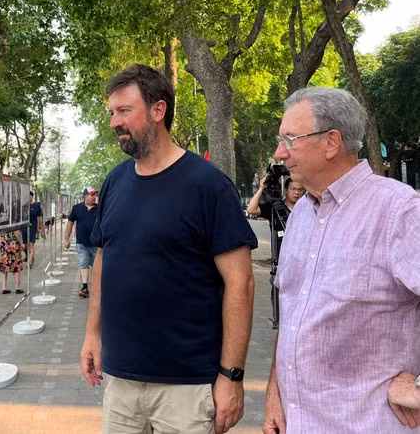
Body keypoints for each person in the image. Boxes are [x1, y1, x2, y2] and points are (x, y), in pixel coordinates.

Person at [81, 64, 257, 434]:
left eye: (124, 111)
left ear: (158, 110)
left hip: (187, 387)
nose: (114, 122)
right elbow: (103, 259)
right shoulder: (114, 182)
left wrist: (231, 376)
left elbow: (240, 283)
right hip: (121, 380)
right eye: (112, 112)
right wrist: (92, 334)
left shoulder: (209, 186)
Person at [263, 87, 420, 434]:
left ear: (331, 142)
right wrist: (275, 391)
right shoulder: (301, 214)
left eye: (289, 140)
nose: (279, 153)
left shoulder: (399, 211)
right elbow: (292, 315)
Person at [246, 176, 305, 329]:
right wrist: (261, 188)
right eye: (293, 189)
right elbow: (251, 209)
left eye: (300, 190)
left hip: (303, 264)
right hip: (281, 264)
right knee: (280, 307)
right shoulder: (276, 209)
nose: (297, 193)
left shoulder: (308, 209)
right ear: (286, 190)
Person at [64, 187, 98, 298]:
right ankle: (85, 287)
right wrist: (66, 239)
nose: (94, 197)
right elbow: (70, 224)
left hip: (96, 244)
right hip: (81, 243)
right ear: (85, 196)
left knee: (96, 266)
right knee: (84, 263)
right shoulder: (76, 208)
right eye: (92, 195)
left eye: (95, 195)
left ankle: (96, 286)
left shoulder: (99, 209)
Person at [0, 229, 24, 294]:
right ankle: (17, 288)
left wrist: (0, 242)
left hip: (3, 241)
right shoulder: (13, 222)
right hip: (13, 242)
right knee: (16, 264)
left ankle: (4, 288)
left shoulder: (2, 221)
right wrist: (21, 243)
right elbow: (16, 232)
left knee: (5, 264)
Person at [23, 191, 44, 269]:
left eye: (30, 196)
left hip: (33, 227)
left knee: (32, 244)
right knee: (24, 246)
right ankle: (30, 256)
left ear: (32, 197)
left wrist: (40, 229)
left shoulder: (37, 206)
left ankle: (30, 262)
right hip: (24, 228)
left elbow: (40, 218)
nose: (28, 198)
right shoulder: (23, 206)